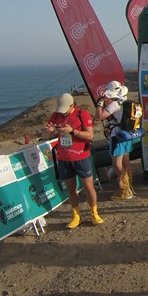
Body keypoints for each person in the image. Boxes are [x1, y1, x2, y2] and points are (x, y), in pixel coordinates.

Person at [44, 93, 103, 228]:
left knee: (88, 186)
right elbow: (44, 135)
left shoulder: (82, 114)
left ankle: (94, 213)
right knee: (71, 188)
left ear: (72, 105)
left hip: (81, 157)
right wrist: (49, 131)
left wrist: (72, 131)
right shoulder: (56, 115)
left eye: (65, 110)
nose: (62, 113)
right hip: (64, 158)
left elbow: (90, 135)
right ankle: (76, 216)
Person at [94, 80, 135, 200]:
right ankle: (129, 185)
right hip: (127, 134)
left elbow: (99, 117)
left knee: (117, 164)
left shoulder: (115, 104)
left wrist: (100, 102)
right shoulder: (125, 101)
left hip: (117, 136)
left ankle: (125, 190)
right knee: (126, 161)